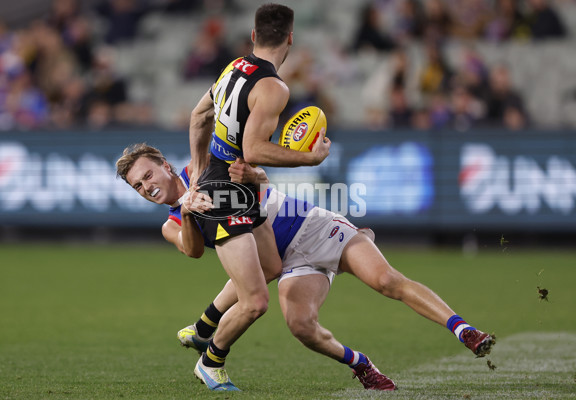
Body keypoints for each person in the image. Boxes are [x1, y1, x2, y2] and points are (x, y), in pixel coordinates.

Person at [116, 143, 495, 392]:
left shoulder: (202, 171)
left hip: (311, 226)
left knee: (386, 280)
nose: (146, 186)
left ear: (166, 166)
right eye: (137, 186)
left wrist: (255, 177)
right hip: (288, 262)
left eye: (148, 175)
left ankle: (464, 330)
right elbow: (193, 251)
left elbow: (259, 180)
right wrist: (185, 209)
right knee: (301, 326)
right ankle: (361, 364)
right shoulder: (171, 224)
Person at [186, 3, 330, 391]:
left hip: (229, 181)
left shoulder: (233, 68)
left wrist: (198, 167)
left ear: (253, 36)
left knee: (270, 266)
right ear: (290, 39)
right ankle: (211, 361)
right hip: (226, 190)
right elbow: (252, 149)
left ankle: (202, 327)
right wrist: (308, 158)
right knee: (256, 302)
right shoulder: (273, 88)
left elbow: (199, 116)